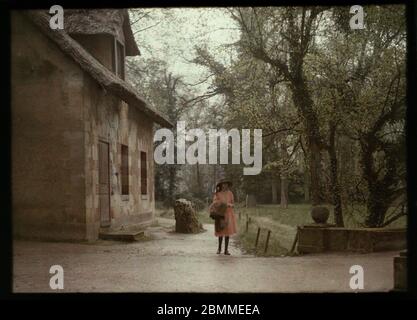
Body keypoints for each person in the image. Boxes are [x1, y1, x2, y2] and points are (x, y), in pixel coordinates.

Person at [212, 178, 237, 255]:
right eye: (223, 184)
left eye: (226, 184)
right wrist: (224, 204)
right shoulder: (218, 194)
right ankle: (219, 249)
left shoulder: (230, 193)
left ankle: (226, 250)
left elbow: (233, 203)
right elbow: (215, 203)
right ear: (221, 185)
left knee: (227, 232)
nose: (225, 185)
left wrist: (231, 205)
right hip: (221, 214)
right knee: (221, 231)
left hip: (229, 214)